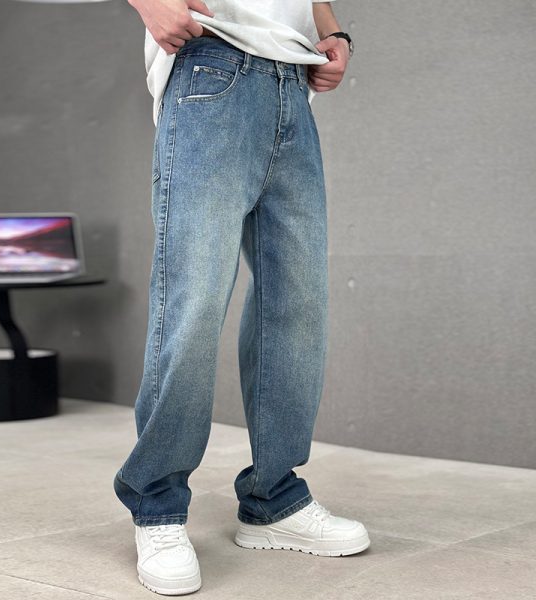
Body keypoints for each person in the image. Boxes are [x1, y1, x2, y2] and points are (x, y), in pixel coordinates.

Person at [114, 0, 369, 595]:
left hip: (293, 83)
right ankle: (157, 504)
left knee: (296, 306)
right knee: (194, 302)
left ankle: (273, 499)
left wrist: (332, 30)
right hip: (212, 66)